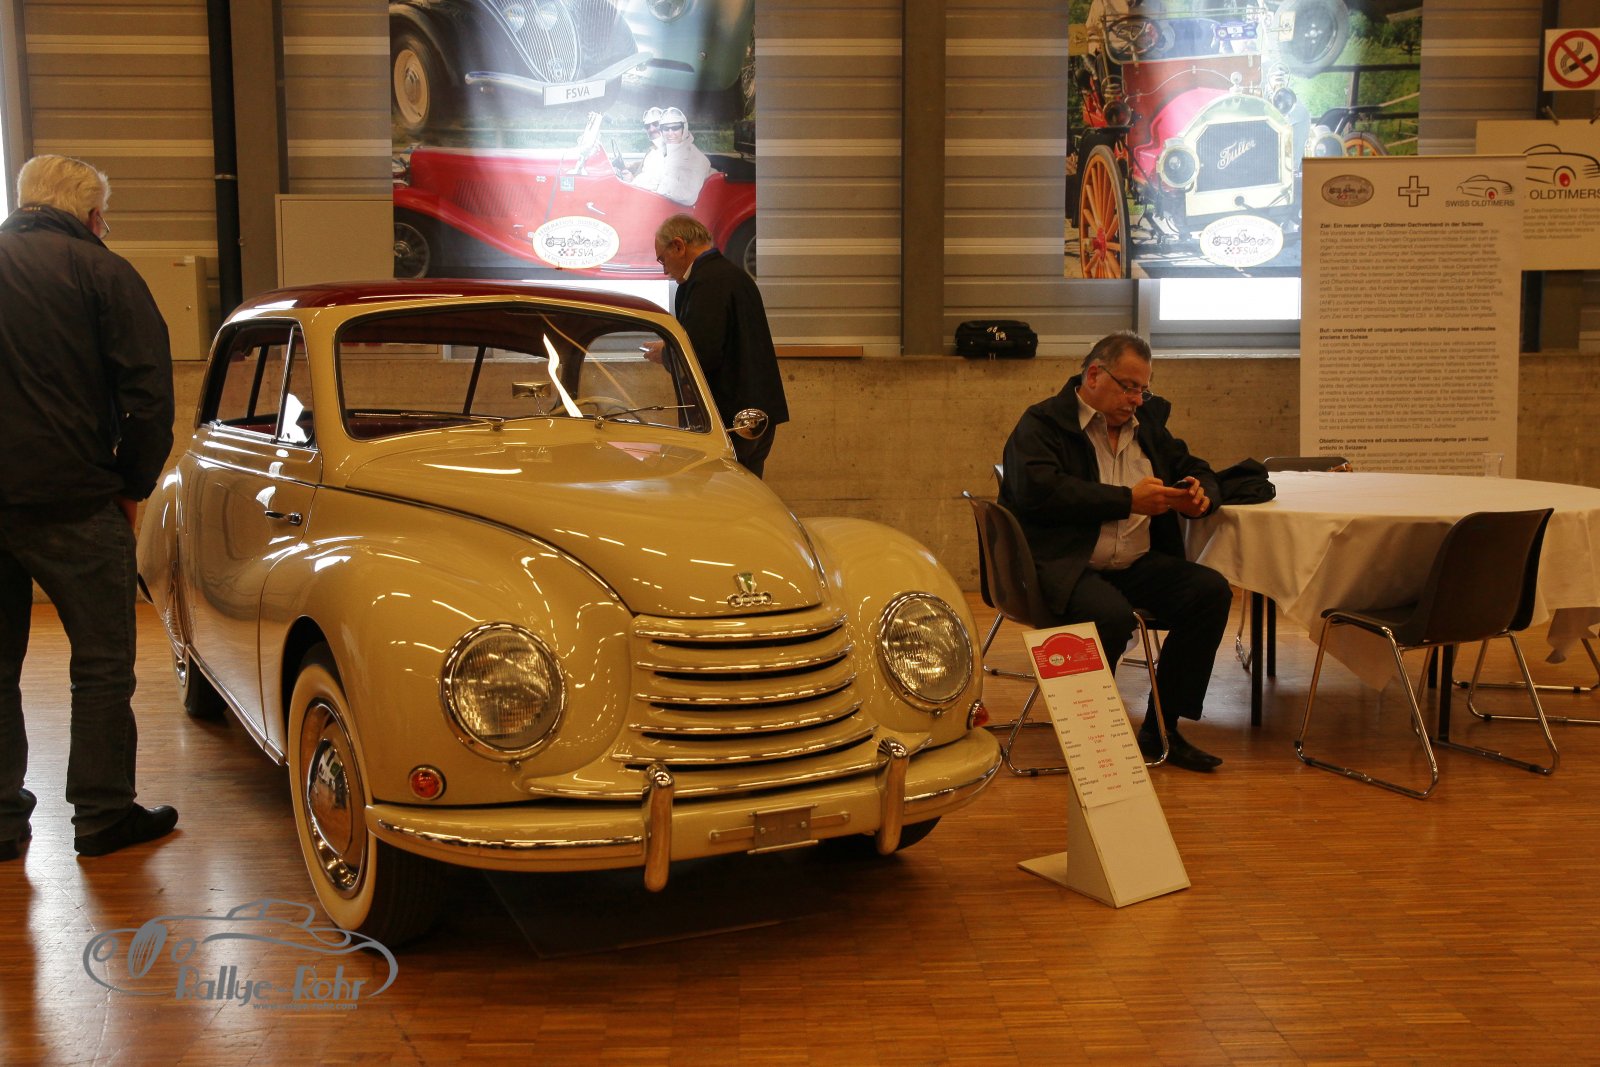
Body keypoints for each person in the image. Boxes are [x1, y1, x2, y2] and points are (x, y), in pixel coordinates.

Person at [0, 155, 178, 859]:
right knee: (101, 665)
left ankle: (1, 823)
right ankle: (103, 816)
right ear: (92, 215)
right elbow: (149, 396)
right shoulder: (104, 273)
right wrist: (132, 485)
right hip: (74, 499)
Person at [1000, 330, 1233, 773]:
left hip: (1134, 562)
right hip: (1067, 563)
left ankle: (1162, 727)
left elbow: (1196, 467)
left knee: (1210, 592)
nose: (1137, 399)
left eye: (1144, 389)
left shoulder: (1148, 427)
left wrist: (1201, 492)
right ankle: (1089, 734)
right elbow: (1039, 492)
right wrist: (1127, 500)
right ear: (1094, 375)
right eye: (1129, 387)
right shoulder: (1044, 424)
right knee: (1108, 616)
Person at [654, 213, 787, 477]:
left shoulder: (707, 282)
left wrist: (666, 353)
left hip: (730, 420)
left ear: (678, 246)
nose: (664, 270)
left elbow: (702, 354)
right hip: (756, 417)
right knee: (748, 491)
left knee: (723, 495)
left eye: (662, 259)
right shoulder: (733, 275)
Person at [650, 107, 714, 206]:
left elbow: (688, 198)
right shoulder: (665, 152)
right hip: (661, 205)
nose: (670, 133)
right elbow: (652, 178)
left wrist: (655, 187)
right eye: (666, 128)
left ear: (684, 129)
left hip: (682, 211)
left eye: (675, 128)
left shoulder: (695, 158)